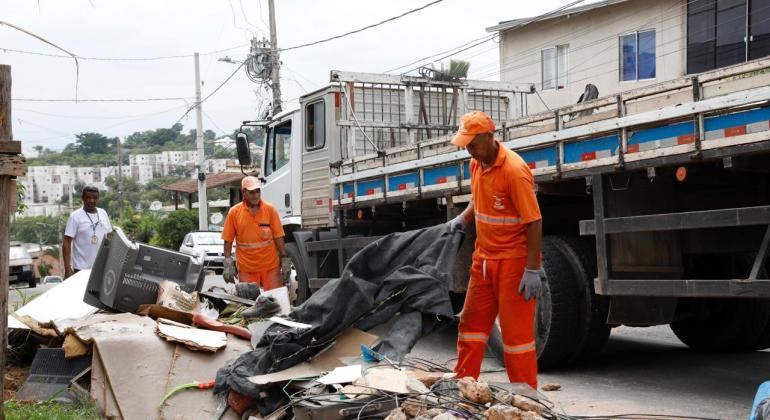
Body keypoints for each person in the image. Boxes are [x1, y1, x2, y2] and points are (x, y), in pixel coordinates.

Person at [447, 111, 543, 389]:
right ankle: (464, 387)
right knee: (471, 326)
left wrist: (533, 269)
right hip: (484, 261)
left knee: (516, 340)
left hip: (513, 264)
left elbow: (534, 221)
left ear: (489, 137)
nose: (469, 150)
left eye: (473, 143)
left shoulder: (514, 170)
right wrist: (461, 220)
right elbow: (479, 201)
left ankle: (526, 398)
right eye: (465, 144)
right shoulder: (477, 164)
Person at [221, 176, 291, 290]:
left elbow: (278, 236)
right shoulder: (234, 213)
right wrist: (228, 263)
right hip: (247, 268)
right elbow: (228, 240)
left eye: (258, 191)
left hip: (270, 267)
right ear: (244, 192)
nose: (256, 195)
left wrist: (284, 259)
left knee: (276, 301)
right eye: (252, 192)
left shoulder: (270, 210)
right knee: (250, 303)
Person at [63, 186, 113, 278]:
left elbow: (109, 236)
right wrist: (67, 268)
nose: (91, 201)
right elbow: (66, 242)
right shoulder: (75, 216)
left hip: (101, 267)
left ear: (98, 199)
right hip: (81, 269)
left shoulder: (103, 213)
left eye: (95, 198)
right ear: (83, 198)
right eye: (88, 197)